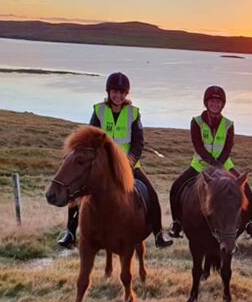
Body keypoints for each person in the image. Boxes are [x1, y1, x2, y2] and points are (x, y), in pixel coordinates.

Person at [56, 72, 174, 249]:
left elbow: (138, 142)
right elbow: (90, 138)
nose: (117, 96)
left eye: (121, 92)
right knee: (78, 193)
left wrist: (130, 161)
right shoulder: (99, 111)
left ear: (126, 94)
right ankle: (70, 232)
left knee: (151, 194)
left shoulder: (133, 113)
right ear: (108, 92)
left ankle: (158, 234)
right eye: (114, 92)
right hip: (102, 167)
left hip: (128, 165)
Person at [168, 85, 252, 238]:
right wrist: (210, 162)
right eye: (212, 101)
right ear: (206, 103)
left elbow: (228, 147)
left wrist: (219, 164)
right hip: (200, 165)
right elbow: (198, 145)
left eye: (218, 102)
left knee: (246, 189)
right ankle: (177, 223)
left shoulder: (228, 124)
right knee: (176, 187)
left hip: (224, 165)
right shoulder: (196, 122)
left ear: (222, 104)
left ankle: (249, 223)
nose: (215, 104)